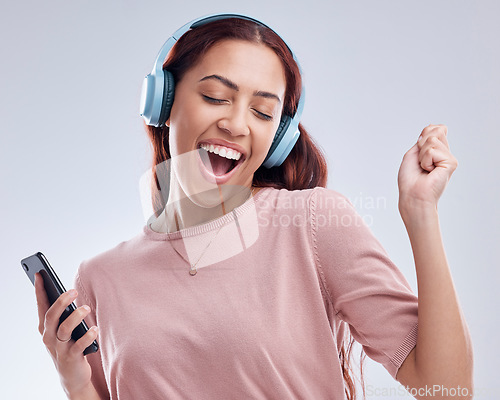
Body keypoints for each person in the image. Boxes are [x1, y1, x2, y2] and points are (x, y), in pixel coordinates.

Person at [34, 14, 474, 400]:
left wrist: (420, 213)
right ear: (163, 102)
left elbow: (446, 388)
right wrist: (75, 383)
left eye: (263, 112)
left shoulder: (313, 224)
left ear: (279, 138)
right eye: (214, 97)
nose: (236, 123)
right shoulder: (100, 277)